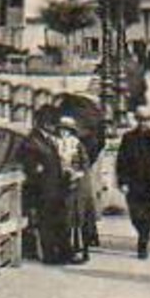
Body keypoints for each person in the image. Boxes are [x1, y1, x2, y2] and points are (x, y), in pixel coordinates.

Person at [19, 109, 72, 265]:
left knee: (60, 222)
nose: (54, 126)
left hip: (55, 188)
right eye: (51, 122)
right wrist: (37, 169)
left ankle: (64, 254)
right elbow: (29, 164)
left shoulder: (47, 140)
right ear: (44, 123)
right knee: (47, 224)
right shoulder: (32, 141)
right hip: (42, 190)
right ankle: (51, 256)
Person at [115, 107, 150, 259]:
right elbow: (121, 161)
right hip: (133, 182)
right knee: (135, 214)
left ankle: (143, 241)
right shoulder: (128, 138)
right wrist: (122, 181)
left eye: (146, 120)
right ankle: (143, 232)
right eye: (140, 119)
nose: (143, 123)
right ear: (136, 120)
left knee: (148, 213)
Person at [56, 115, 91, 264]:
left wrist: (78, 173)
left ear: (71, 131)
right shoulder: (56, 144)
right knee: (64, 218)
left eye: (67, 130)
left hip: (77, 185)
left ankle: (80, 250)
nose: (64, 133)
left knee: (77, 217)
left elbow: (85, 163)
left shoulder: (77, 145)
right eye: (62, 130)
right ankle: (65, 251)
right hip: (61, 184)